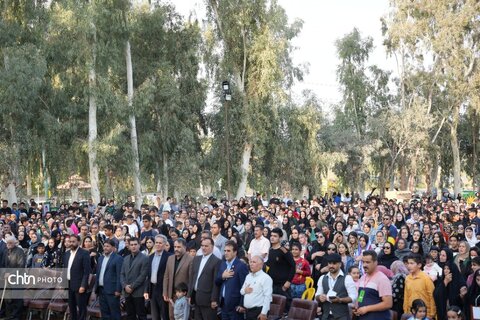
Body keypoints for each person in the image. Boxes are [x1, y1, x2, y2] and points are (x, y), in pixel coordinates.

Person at [315, 253, 357, 320]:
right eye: (329, 263)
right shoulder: (322, 278)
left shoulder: (347, 278)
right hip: (326, 316)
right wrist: (320, 297)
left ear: (340, 264)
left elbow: (353, 297)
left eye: (334, 263)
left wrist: (340, 300)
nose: (331, 266)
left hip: (342, 316)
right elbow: (317, 295)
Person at [352, 250, 392, 320]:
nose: (364, 265)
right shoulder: (362, 277)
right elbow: (361, 295)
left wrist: (367, 309)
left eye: (367, 262)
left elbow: (388, 303)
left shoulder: (382, 279)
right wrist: (357, 306)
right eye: (363, 262)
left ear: (376, 262)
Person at [215, 240, 249, 320]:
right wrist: (222, 276)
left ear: (235, 252)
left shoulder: (241, 266)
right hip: (223, 305)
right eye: (225, 251)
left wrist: (242, 304)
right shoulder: (223, 264)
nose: (226, 253)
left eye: (228, 251)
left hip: (235, 307)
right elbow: (217, 282)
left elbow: (245, 286)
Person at [189, 238, 221, 320]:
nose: (203, 248)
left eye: (206, 246)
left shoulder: (217, 261)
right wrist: (190, 295)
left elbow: (216, 282)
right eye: (202, 246)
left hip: (208, 301)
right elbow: (192, 278)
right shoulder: (196, 259)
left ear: (212, 247)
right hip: (196, 298)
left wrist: (214, 299)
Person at [163, 238, 194, 320]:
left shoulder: (191, 259)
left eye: (179, 247)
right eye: (175, 247)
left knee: (182, 318)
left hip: (183, 296)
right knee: (171, 317)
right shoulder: (170, 258)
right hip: (171, 295)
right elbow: (166, 276)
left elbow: (191, 279)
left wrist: (188, 295)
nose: (176, 249)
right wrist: (165, 292)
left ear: (185, 247)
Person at [120, 237, 149, 320]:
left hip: (138, 292)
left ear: (139, 245)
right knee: (130, 315)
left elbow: (143, 275)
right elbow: (122, 274)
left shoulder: (144, 258)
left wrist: (131, 287)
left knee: (141, 315)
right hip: (127, 292)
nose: (133, 246)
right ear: (128, 246)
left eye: (135, 244)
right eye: (131, 245)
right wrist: (125, 286)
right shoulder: (125, 258)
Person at [266, 228, 295, 309]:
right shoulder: (270, 250)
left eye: (275, 236)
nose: (272, 237)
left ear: (280, 238)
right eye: (271, 235)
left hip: (282, 286)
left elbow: (293, 266)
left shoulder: (284, 251)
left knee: (285, 308)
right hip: (271, 285)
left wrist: (288, 282)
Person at [63, 234, 91, 320]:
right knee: (71, 307)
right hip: (69, 284)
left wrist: (83, 285)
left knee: (81, 308)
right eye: (70, 241)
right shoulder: (67, 254)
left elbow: (87, 272)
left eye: (73, 242)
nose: (71, 243)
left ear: (78, 242)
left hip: (79, 285)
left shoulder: (84, 253)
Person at [145, 235, 172, 320]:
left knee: (164, 315)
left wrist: (167, 291)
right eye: (156, 242)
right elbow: (148, 275)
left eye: (160, 243)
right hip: (152, 289)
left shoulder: (169, 257)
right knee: (155, 316)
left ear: (164, 244)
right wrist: (146, 290)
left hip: (163, 290)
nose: (158, 244)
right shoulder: (151, 257)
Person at [96, 239, 123, 320]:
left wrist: (118, 290)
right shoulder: (100, 258)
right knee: (104, 314)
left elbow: (120, 275)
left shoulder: (118, 258)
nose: (105, 248)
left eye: (108, 246)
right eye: (104, 246)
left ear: (113, 247)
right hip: (101, 290)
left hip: (112, 291)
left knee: (114, 314)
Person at [403, 254, 436, 319]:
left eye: (412, 263)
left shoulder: (426, 278)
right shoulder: (407, 278)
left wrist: (431, 314)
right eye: (408, 263)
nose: (409, 266)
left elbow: (432, 297)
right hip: (411, 314)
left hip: (424, 314)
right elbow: (406, 296)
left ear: (419, 265)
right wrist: (406, 311)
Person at [1, 235, 26, 320]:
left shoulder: (20, 251)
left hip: (18, 278)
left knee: (17, 299)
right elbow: (3, 265)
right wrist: (4, 273)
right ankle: (10, 315)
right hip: (8, 280)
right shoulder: (5, 251)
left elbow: (21, 266)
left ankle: (16, 316)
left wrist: (10, 273)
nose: (9, 244)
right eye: (8, 243)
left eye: (11, 243)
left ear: (14, 242)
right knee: (9, 299)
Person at [240, 255, 273, 320]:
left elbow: (268, 297)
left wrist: (264, 313)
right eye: (251, 262)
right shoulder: (248, 276)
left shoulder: (266, 278)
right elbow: (241, 291)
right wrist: (245, 290)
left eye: (254, 262)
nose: (251, 264)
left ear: (261, 265)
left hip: (258, 312)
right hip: (247, 311)